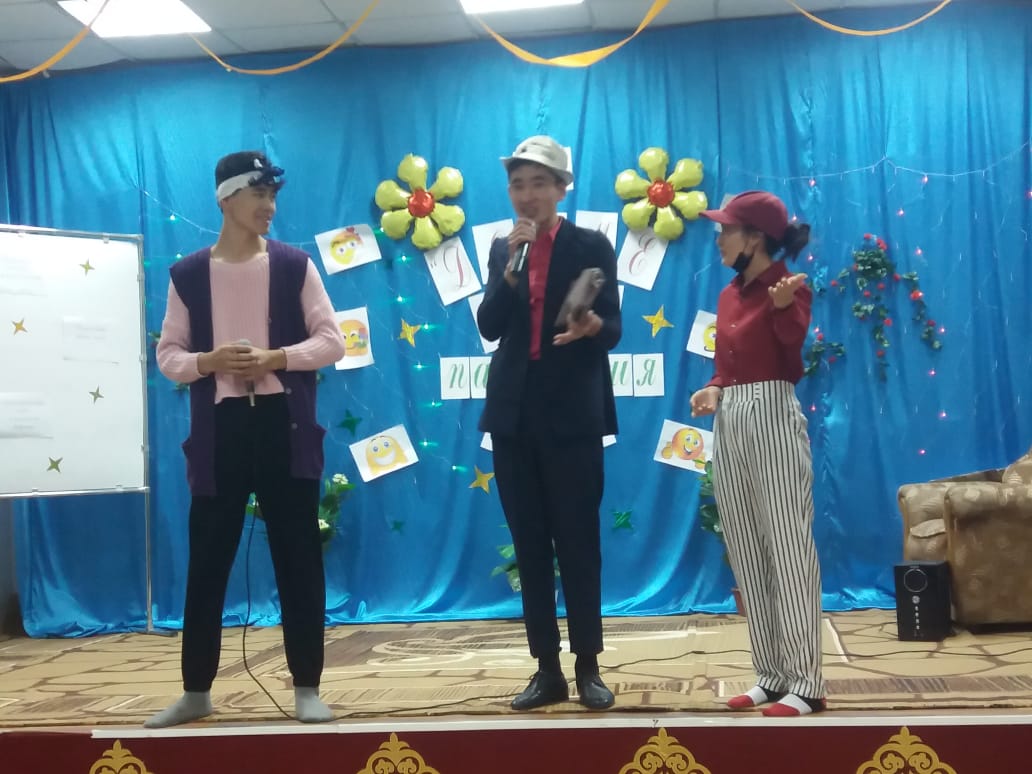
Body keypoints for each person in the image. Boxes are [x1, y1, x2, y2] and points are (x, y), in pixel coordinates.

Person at [148, 151, 346, 728]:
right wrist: (208, 361)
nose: (269, 206)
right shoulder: (188, 274)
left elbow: (332, 341)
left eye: (273, 195)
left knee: (299, 558)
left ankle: (307, 687)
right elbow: (169, 355)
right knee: (208, 561)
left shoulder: (294, 265)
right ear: (226, 199)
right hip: (221, 433)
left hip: (285, 427)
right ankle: (196, 690)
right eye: (258, 194)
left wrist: (275, 357)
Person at [477, 135, 622, 711]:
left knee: (578, 542)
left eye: (539, 183)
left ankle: (588, 666)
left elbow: (614, 328)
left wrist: (591, 328)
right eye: (517, 184)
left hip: (573, 415)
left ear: (562, 188)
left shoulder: (592, 245)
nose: (527, 195)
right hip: (513, 416)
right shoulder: (503, 248)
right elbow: (490, 325)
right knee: (530, 546)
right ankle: (546, 670)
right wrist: (510, 275)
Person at [691, 190, 826, 717]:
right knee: (747, 548)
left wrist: (784, 308)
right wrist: (713, 388)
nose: (719, 239)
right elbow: (726, 366)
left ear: (755, 237)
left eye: (726, 230)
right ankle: (771, 675)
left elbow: (791, 355)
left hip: (773, 414)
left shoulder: (789, 287)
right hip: (732, 419)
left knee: (789, 549)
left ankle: (806, 683)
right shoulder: (728, 295)